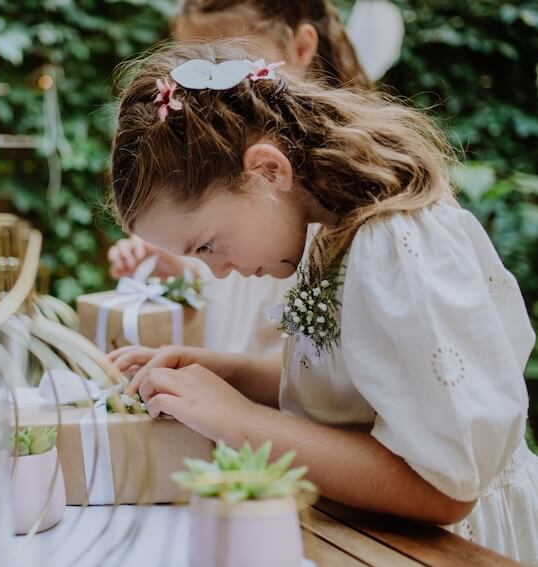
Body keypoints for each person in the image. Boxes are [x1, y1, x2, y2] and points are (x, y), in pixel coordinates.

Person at [107, 42, 538, 563]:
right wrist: (228, 372)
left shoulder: (394, 242)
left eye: (206, 244)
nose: (217, 270)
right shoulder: (329, 230)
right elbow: (362, 386)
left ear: (268, 171)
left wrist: (236, 420)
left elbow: (444, 487)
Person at [107, 0, 370, 357]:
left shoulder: (317, 208)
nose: (209, 94)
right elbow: (240, 282)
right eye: (196, 66)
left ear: (302, 48)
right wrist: (182, 265)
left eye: (230, 60)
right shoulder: (252, 209)